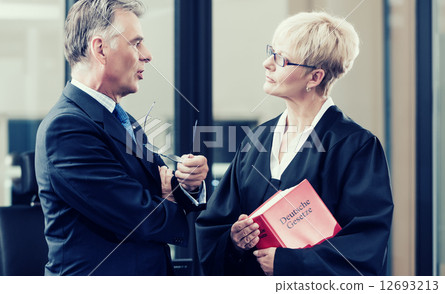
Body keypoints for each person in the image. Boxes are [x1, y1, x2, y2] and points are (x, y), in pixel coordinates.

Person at [196, 11, 393, 276]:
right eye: (271, 52)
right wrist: (233, 241)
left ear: (315, 78)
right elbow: (214, 226)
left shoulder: (356, 146)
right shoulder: (258, 139)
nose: (267, 63)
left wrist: (289, 264)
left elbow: (365, 244)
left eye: (281, 59)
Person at [35, 0, 208, 276]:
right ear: (100, 49)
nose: (147, 55)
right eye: (136, 43)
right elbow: (141, 218)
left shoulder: (120, 118)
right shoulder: (66, 128)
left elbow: (153, 193)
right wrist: (168, 203)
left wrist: (186, 186)